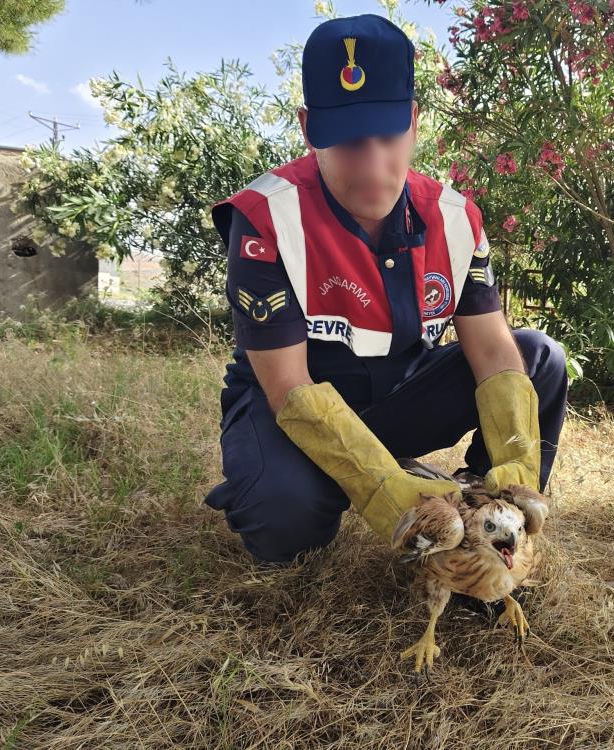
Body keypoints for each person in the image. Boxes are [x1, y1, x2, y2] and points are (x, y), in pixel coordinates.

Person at [204, 12, 569, 566]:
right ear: (308, 129)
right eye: (348, 139)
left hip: (398, 400)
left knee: (538, 357)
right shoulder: (265, 218)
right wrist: (389, 496)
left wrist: (515, 477)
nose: (373, 161)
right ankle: (284, 480)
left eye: (388, 133)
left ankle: (482, 508)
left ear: (415, 121)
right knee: (286, 526)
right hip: (294, 411)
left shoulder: (456, 219)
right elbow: (288, 388)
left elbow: (493, 351)